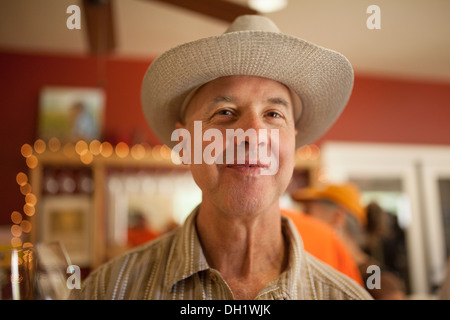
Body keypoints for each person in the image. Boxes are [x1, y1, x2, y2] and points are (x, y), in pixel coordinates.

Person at [76, 15, 372, 300]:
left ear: (293, 140)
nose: (254, 134)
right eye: (225, 113)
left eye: (273, 114)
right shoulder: (108, 290)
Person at [292, 183, 407, 299]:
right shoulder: (324, 268)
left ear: (337, 218)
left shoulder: (375, 276)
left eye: (307, 213)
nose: (303, 221)